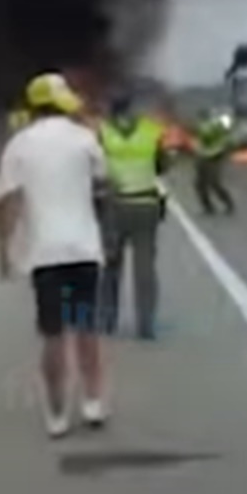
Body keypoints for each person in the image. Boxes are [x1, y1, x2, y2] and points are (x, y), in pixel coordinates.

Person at [0, 72, 108, 439]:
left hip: (45, 256)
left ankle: (57, 414)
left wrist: (5, 252)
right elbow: (103, 181)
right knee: (86, 329)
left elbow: (9, 203)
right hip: (84, 250)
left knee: (53, 334)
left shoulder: (18, 146)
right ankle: (93, 403)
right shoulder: (84, 138)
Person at [97, 90, 168, 340]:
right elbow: (162, 165)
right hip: (146, 203)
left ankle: (107, 320)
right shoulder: (151, 131)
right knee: (145, 267)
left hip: (114, 205)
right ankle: (146, 324)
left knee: (110, 266)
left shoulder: (102, 133)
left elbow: (95, 169)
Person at [192, 107, 237, 215]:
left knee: (214, 183)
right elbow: (200, 141)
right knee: (199, 184)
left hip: (215, 156)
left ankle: (229, 204)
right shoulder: (201, 125)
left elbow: (229, 133)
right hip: (203, 156)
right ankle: (208, 207)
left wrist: (227, 147)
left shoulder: (215, 124)